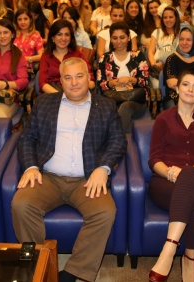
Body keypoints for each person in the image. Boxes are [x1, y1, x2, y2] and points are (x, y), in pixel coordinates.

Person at [11, 57, 126, 282]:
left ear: (89, 78)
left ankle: (74, 272)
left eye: (79, 76)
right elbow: (27, 138)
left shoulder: (106, 105)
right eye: (68, 77)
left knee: (104, 212)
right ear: (61, 81)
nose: (74, 83)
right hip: (48, 177)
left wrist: (103, 168)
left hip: (87, 179)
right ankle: (39, 265)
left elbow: (118, 141)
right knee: (21, 204)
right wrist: (31, 166)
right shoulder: (44, 103)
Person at [148, 70, 194, 282]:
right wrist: (170, 173)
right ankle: (190, 258)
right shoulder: (163, 119)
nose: (190, 89)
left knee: (189, 174)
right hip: (165, 182)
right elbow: (154, 159)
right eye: (186, 84)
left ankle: (169, 248)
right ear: (176, 89)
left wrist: (187, 172)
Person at [97, 22, 150, 133]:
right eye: (115, 38)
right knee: (114, 110)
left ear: (129, 38)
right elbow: (100, 85)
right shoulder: (105, 58)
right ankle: (123, 138)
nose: (119, 41)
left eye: (122, 37)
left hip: (135, 101)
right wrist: (112, 83)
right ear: (110, 39)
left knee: (125, 107)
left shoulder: (138, 56)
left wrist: (132, 80)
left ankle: (116, 138)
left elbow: (145, 82)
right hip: (113, 99)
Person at [164, 26, 194, 114]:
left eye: (188, 40)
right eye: (181, 39)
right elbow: (171, 83)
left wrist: (193, 90)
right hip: (176, 96)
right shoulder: (172, 59)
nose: (184, 43)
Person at [38, 20, 94, 94]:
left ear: (71, 37)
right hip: (53, 94)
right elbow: (43, 84)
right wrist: (62, 96)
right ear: (52, 37)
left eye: (67, 35)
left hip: (77, 93)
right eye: (59, 34)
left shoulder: (78, 55)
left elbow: (91, 81)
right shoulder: (46, 56)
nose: (63, 38)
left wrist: (78, 93)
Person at [148, 7, 181, 89]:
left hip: (177, 68)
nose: (168, 20)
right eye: (165, 17)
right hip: (159, 69)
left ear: (176, 18)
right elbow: (150, 52)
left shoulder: (182, 33)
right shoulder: (156, 32)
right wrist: (154, 64)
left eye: (171, 17)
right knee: (157, 86)